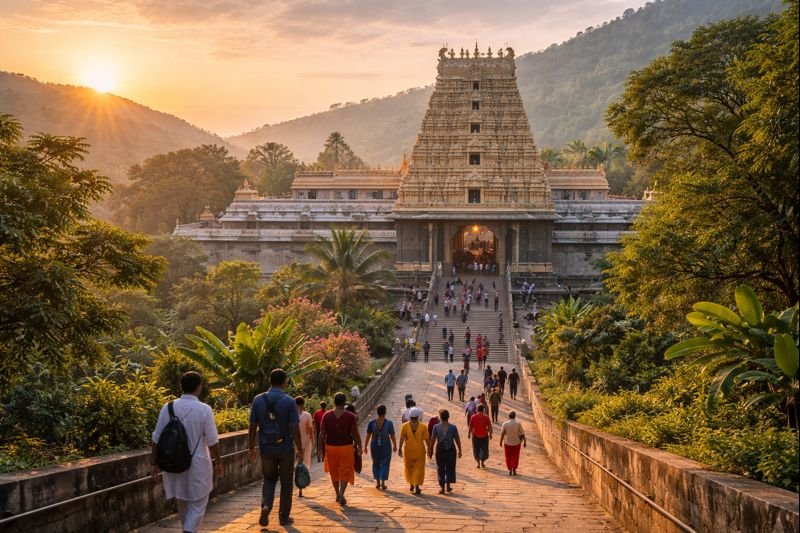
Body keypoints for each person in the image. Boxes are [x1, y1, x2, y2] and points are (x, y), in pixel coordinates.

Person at [151, 372, 222, 533]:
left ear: (181, 387)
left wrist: (153, 462)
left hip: (173, 463)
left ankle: (188, 529)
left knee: (182, 500)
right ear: (199, 387)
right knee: (198, 504)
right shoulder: (204, 409)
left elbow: (156, 438)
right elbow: (212, 441)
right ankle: (188, 531)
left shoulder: (168, 407)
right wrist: (218, 461)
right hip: (198, 465)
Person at [248, 369, 303, 527]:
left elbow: (252, 426)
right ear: (284, 382)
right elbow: (294, 427)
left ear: (269, 380)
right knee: (286, 483)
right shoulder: (289, 401)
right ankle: (283, 517)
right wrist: (300, 448)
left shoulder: (258, 400)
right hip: (285, 448)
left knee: (269, 479)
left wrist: (251, 447)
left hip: (266, 448)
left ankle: (266, 506)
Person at [319, 392, 362, 505]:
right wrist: (360, 446)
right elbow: (355, 434)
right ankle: (341, 493)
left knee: (334, 471)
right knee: (345, 470)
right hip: (346, 447)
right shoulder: (350, 416)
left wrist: (319, 449)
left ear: (334, 401)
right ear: (344, 402)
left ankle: (337, 493)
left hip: (330, 447)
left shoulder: (326, 415)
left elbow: (322, 434)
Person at [428, 409, 462, 494]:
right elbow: (457, 439)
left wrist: (430, 450)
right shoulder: (453, 427)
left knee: (441, 468)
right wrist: (460, 450)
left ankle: (442, 488)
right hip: (451, 450)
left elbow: (433, 440)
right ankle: (448, 486)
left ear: (440, 417)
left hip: (440, 450)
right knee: (450, 467)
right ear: (448, 417)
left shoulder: (436, 427)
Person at [364, 405, 397, 490]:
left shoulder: (372, 423)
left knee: (376, 463)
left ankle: (378, 483)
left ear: (377, 412)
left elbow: (368, 435)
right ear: (385, 412)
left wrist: (365, 446)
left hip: (374, 446)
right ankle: (383, 483)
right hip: (386, 446)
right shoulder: (389, 423)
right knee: (385, 463)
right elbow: (392, 435)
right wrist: (395, 445)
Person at [398, 407, 429, 494]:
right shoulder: (423, 426)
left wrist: (400, 448)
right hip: (420, 451)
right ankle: (417, 486)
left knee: (409, 467)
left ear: (410, 416)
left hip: (408, 450)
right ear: (418, 416)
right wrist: (429, 448)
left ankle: (411, 483)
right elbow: (427, 439)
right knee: (419, 468)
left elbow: (402, 438)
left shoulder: (405, 426)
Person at [295, 397, 314, 497]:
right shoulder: (307, 415)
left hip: (294, 444)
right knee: (303, 466)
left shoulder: (291, 415)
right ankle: (300, 488)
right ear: (303, 404)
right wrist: (313, 442)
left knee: (295, 466)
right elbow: (310, 431)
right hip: (305, 443)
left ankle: (298, 486)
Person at [499, 411, 526, 475]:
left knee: (508, 456)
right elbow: (522, 433)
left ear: (509, 416)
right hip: (516, 443)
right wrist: (525, 441)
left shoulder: (505, 424)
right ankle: (514, 468)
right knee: (515, 456)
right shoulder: (518, 423)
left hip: (507, 443)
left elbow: (502, 434)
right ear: (515, 416)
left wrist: (500, 441)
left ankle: (510, 469)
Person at [468, 404, 492, 468]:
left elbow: (470, 426)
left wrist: (468, 434)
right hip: (484, 436)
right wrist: (490, 434)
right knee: (484, 449)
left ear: (477, 409)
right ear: (483, 410)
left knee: (476, 449)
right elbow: (489, 426)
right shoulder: (486, 417)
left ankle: (478, 463)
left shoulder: (473, 417)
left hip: (475, 436)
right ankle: (482, 462)